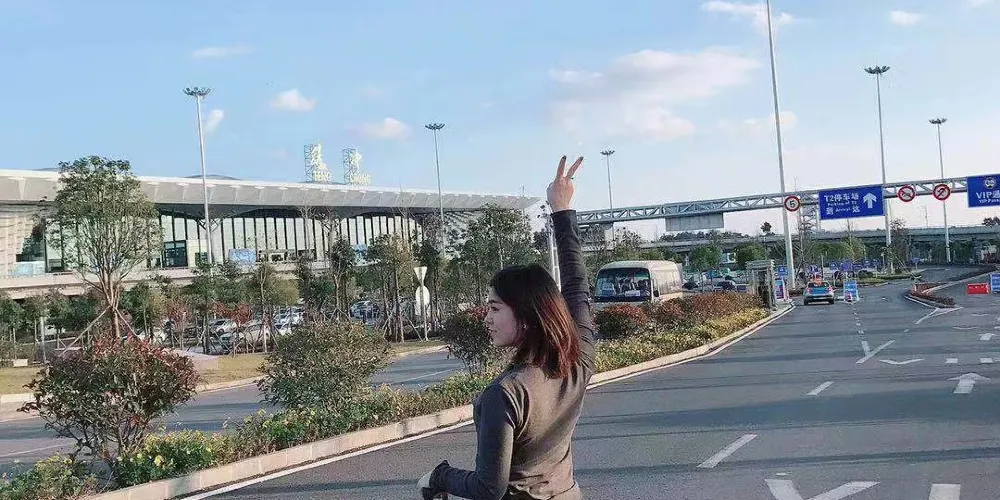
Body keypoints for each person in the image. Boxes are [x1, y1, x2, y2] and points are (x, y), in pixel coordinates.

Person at [418, 156, 597, 500]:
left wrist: (439, 476)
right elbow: (577, 288)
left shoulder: (506, 393)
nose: (486, 318)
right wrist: (562, 209)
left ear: (527, 316)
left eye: (495, 308)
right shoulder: (578, 362)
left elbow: (489, 488)